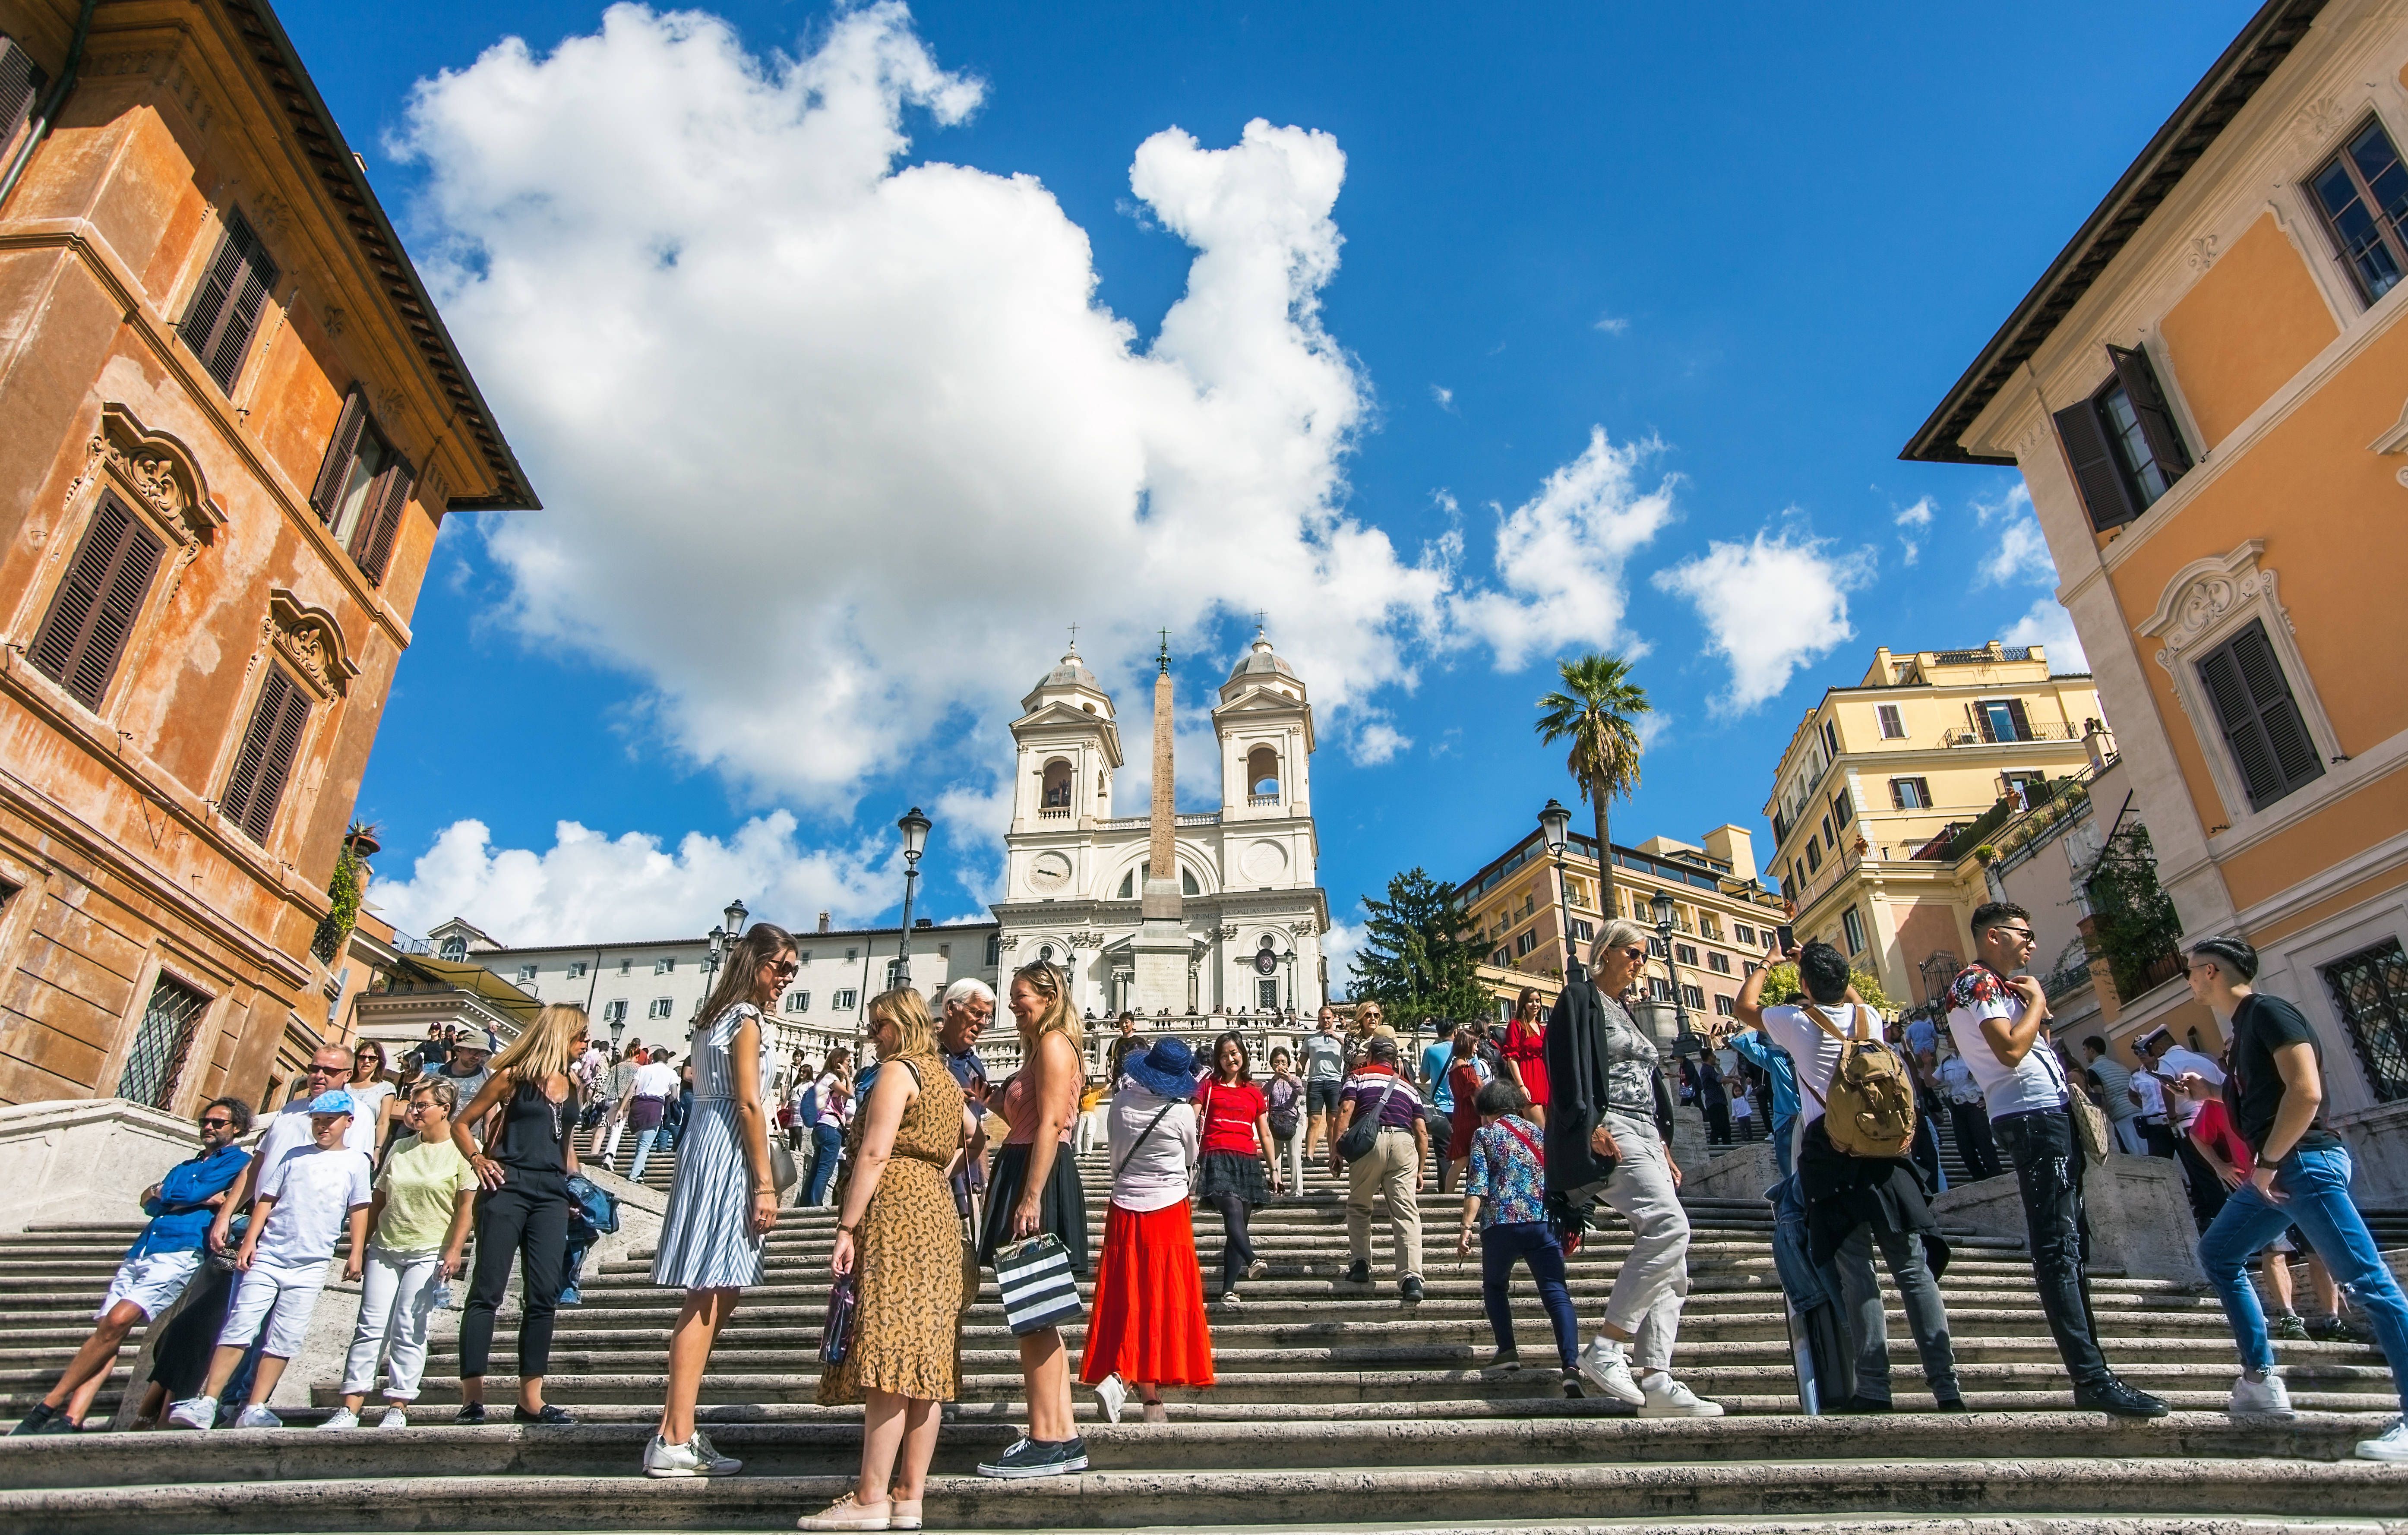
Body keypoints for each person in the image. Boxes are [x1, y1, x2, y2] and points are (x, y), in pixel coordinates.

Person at [2179, 935, 2408, 1459]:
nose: (2188, 979)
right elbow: (2264, 1095)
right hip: (2283, 1170)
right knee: (2218, 1254)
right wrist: (2212, 1094)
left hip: (2299, 1163)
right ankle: (2259, 1382)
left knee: (2371, 1284)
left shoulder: (2269, 1011)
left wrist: (2266, 1164)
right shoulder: (2241, 1034)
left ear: (2212, 971)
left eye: (2191, 970)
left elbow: (2304, 1092)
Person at [1942, 902, 2166, 1418]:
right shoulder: (1974, 982)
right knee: (2057, 1245)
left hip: (2047, 1112)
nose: (2033, 943)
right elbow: (2008, 1052)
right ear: (1994, 936)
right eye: (2025, 934)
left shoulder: (2000, 987)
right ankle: (2089, 1375)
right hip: (2028, 1116)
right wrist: (2039, 1003)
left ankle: (2094, 1370)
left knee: (2069, 1240)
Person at [1737, 942, 1963, 1413]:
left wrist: (1767, 965)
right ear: (1845, 981)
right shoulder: (1870, 1022)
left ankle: (1876, 1388)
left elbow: (1745, 1008)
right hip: (1885, 1157)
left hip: (1833, 1157)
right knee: (1913, 1271)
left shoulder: (1796, 1023)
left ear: (1804, 986)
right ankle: (1946, 1386)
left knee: (1858, 1275)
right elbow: (1853, 999)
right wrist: (1825, 972)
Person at [800, 986, 974, 1529]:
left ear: (899, 1024)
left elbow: (875, 1151)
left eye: (878, 1025)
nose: (872, 1036)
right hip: (937, 1212)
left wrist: (846, 1226)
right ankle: (908, 1497)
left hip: (897, 1208)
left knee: (889, 1350)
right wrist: (935, 1174)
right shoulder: (947, 1079)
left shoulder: (901, 1072)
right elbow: (973, 1133)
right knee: (928, 1359)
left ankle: (871, 1497)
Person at [1544, 919, 1719, 1417]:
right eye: (1635, 952)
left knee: (1674, 1259)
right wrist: (1588, 1123)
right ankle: (1608, 1343)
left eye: (1645, 954)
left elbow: (1647, 1078)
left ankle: (1658, 1377)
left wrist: (1663, 1142)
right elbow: (1564, 1067)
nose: (1642, 962)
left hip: (1645, 1132)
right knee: (1669, 1225)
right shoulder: (1580, 998)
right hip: (1611, 1126)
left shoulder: (1627, 1011)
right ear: (1606, 951)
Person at [638, 925, 791, 1476]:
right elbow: (750, 1103)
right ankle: (674, 1434)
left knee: (719, 1291)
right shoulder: (744, 1021)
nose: (787, 980)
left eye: (793, 971)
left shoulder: (717, 1019)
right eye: (781, 968)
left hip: (710, 1139)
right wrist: (764, 1182)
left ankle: (678, 1429)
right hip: (727, 1146)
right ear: (754, 964)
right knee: (708, 1293)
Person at [12, 1099, 253, 1434]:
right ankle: (73, 1419)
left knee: (118, 1320)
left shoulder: (239, 1161)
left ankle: (47, 1407)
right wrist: (178, 1194)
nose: (209, 1127)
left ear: (236, 1128)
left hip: (180, 1250)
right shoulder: (185, 1164)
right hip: (143, 1248)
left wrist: (176, 1193)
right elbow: (149, 1203)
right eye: (205, 1121)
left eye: (218, 1123)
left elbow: (183, 1192)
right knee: (110, 1332)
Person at [167, 1091, 372, 1430]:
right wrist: (250, 1241)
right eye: (318, 1121)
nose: (322, 1127)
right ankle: (209, 1400)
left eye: (330, 1121)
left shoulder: (357, 1163)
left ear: (348, 1123)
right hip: (270, 1255)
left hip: (312, 1263)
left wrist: (356, 1253)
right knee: (240, 1324)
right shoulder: (294, 1155)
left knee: (285, 1336)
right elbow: (266, 1199)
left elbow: (360, 1208)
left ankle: (256, 1406)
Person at [974, 959, 1088, 1479]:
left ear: (1047, 996)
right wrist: (990, 1099)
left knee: (1033, 1316)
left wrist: (1030, 1197)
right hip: (1026, 1164)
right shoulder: (1044, 1047)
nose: (1013, 1005)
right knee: (1037, 1314)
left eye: (1020, 996)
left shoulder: (1052, 1043)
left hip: (1034, 1172)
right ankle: (1062, 1435)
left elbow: (1051, 1123)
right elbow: (1029, 1115)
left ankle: (1045, 1438)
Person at [452, 1002, 588, 1426]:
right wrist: (477, 1158)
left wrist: (577, 1188)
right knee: (487, 1290)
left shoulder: (574, 1086)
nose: (585, 1045)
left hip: (551, 1192)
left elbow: (566, 1145)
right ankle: (472, 1398)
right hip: (505, 1184)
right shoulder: (511, 1078)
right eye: (580, 1036)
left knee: (545, 1293)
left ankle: (530, 1399)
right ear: (560, 1034)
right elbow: (463, 1123)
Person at [322, 1078, 478, 1429]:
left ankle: (399, 1404)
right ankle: (350, 1407)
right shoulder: (400, 1147)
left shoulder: (463, 1149)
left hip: (429, 1249)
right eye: (412, 1103)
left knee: (409, 1326)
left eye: (422, 1105)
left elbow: (467, 1207)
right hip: (385, 1247)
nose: (414, 1110)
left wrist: (455, 1251)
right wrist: (358, 1250)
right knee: (370, 1326)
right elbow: (378, 1199)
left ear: (445, 1110)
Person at [1081, 1036, 1211, 1426]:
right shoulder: (1182, 1114)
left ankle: (1130, 1381)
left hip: (1125, 1206)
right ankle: (1145, 1392)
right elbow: (1192, 1158)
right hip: (1168, 1209)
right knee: (1162, 1295)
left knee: (1128, 1294)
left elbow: (1116, 1157)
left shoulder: (1120, 1103)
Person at [1454, 1078, 1580, 1390]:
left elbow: (1477, 1186)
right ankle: (1571, 1365)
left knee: (1495, 1286)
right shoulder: (1540, 1134)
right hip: (1542, 1223)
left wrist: (1466, 1227)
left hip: (1501, 1225)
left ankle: (1507, 1349)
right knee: (1556, 1293)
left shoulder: (1485, 1134)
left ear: (1488, 1110)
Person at [1329, 1034, 1426, 1301]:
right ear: (1395, 1061)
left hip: (1368, 1144)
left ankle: (1361, 1263)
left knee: (1359, 1206)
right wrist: (1420, 1168)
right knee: (1406, 1212)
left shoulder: (1358, 1076)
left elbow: (1346, 1110)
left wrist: (1337, 1149)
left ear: (1371, 1056)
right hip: (1404, 1143)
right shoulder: (1408, 1087)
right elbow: (1421, 1131)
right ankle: (1411, 1280)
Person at [1194, 1032, 1275, 1305]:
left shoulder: (1254, 1091)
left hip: (1247, 1160)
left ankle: (1228, 1289)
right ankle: (1253, 1259)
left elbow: (1264, 1133)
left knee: (1239, 1223)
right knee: (1231, 1210)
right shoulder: (1207, 1087)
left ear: (1243, 1055)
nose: (1231, 1058)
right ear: (1218, 1059)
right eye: (1225, 1054)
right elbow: (1190, 1119)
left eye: (1235, 1052)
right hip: (1216, 1155)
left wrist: (1275, 1169)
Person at [2138, 1026, 2229, 1232]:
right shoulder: (2204, 1060)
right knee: (2229, 1174)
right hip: (2219, 1123)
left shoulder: (2166, 1062)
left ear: (2160, 1048)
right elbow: (2225, 1086)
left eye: (2154, 1052)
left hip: (2191, 1126)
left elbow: (2166, 1086)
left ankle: (2223, 1225)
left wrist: (2171, 1117)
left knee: (2204, 1177)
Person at [1727, 1026, 1800, 1179]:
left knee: (1792, 1184)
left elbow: (1740, 1041)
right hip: (1818, 1122)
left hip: (1789, 1124)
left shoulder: (1777, 1059)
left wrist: (1758, 1020)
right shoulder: (1816, 1054)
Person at [1933, 1034, 2001, 1181]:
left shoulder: (1974, 1057)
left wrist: (1988, 1100)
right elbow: (1930, 1083)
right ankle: (1980, 1181)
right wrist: (1926, 1064)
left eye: (1950, 1035)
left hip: (1975, 1105)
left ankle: (1996, 1179)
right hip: (1957, 1109)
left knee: (1985, 1146)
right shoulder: (1946, 1062)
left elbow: (1993, 1077)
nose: (1947, 1039)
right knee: (1966, 1151)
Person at [1441, 1029, 1491, 1194]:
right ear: (1467, 1044)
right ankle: (1451, 1196)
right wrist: (1485, 1116)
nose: (1477, 1048)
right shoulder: (1467, 1069)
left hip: (1460, 1115)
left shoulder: (1454, 1068)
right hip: (1470, 1117)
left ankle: (1448, 1195)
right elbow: (1474, 1097)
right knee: (1465, 1159)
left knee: (1462, 1160)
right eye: (1475, 1044)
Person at [624, 1049, 683, 1185]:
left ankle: (640, 1174)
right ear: (667, 1060)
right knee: (645, 1146)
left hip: (637, 1106)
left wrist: (622, 1109)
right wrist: (666, 1097)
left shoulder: (643, 1069)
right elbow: (674, 1095)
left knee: (640, 1143)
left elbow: (631, 1089)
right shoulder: (671, 1073)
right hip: (654, 1108)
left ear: (653, 1058)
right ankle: (633, 1176)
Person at [806, 1049, 856, 1207]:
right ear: (839, 1061)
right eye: (848, 1061)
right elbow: (851, 1094)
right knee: (825, 1171)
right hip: (830, 1127)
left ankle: (806, 1204)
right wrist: (847, 1075)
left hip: (821, 1128)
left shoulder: (823, 1078)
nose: (850, 1064)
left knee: (815, 1170)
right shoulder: (831, 1078)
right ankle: (815, 1207)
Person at [2081, 1036, 2146, 1156]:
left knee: (2136, 1156)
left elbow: (2101, 1098)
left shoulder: (2093, 1071)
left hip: (2121, 1118)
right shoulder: (2122, 1067)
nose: (2084, 1054)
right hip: (2139, 1112)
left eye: (2085, 1050)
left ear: (2092, 1050)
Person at [1300, 1006, 1347, 1159]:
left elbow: (1352, 1051)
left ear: (1333, 1019)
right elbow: (1302, 1061)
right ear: (1319, 1020)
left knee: (1333, 1121)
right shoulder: (1310, 1039)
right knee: (1313, 1120)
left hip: (1335, 1082)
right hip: (1315, 1082)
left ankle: (1333, 1154)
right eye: (1323, 1018)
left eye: (1328, 1018)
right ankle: (1309, 1157)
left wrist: (1336, 1036)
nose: (1326, 1021)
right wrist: (1295, 1078)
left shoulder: (1342, 1038)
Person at [596, 1041, 648, 1169]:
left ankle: (608, 1156)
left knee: (611, 1128)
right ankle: (609, 1156)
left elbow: (605, 1086)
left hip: (610, 1100)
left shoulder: (616, 1067)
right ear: (637, 1056)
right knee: (617, 1130)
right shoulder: (639, 1069)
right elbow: (637, 1088)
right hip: (625, 1103)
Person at [1265, 1046, 1305, 1196]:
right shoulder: (1269, 1082)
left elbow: (1301, 1091)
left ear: (1288, 1063)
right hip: (1275, 1122)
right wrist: (1275, 1078)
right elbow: (1263, 1093)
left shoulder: (1295, 1080)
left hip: (1294, 1121)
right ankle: (1278, 1190)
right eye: (1277, 1062)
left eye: (1283, 1062)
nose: (1280, 1065)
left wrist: (1289, 1079)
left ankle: (1297, 1192)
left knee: (1295, 1156)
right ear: (1272, 1065)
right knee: (1276, 1158)